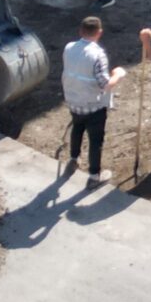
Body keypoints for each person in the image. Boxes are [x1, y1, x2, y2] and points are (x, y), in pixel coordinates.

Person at [60, 17, 124, 185]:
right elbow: (105, 84)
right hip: (93, 106)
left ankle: (74, 158)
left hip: (73, 100)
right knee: (96, 140)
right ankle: (94, 176)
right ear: (99, 33)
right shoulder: (98, 55)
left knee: (77, 128)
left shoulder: (69, 48)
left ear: (81, 31)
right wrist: (118, 74)